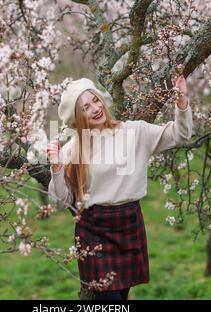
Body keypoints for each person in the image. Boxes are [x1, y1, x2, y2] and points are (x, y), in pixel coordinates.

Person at [47, 75, 193, 300]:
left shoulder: (134, 132)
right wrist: (56, 168)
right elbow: (59, 202)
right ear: (77, 117)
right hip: (93, 231)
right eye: (86, 107)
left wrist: (181, 100)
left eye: (95, 100)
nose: (95, 108)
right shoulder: (71, 151)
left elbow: (180, 134)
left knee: (119, 298)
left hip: (128, 223)